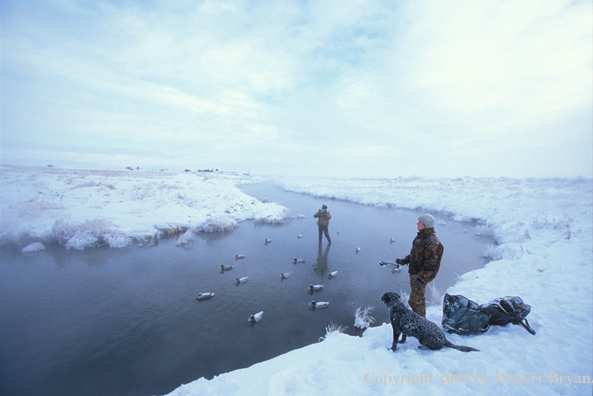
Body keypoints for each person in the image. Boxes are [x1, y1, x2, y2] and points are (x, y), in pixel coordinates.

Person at [395, 214, 444, 317]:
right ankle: (416, 320)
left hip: (421, 276)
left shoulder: (433, 242)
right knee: (413, 301)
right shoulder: (420, 237)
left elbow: (431, 265)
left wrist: (420, 278)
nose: (417, 223)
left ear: (425, 225)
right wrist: (404, 261)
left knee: (417, 301)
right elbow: (416, 254)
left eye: (420, 222)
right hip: (415, 273)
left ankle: (421, 323)